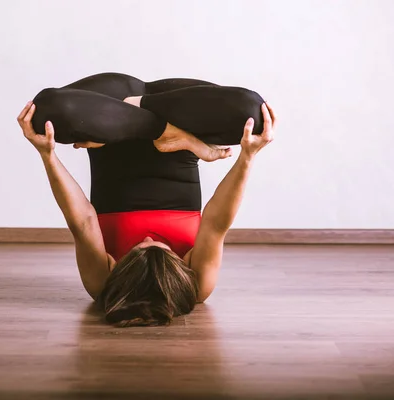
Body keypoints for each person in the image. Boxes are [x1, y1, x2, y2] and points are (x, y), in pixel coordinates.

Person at [16, 73, 277, 327]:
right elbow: (217, 221)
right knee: (255, 113)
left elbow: (82, 219)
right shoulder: (198, 284)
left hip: (114, 124)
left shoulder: (101, 282)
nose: (148, 238)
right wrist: (248, 156)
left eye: (137, 248)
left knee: (44, 113)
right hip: (178, 121)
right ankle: (160, 122)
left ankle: (151, 121)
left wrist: (47, 155)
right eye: (160, 246)